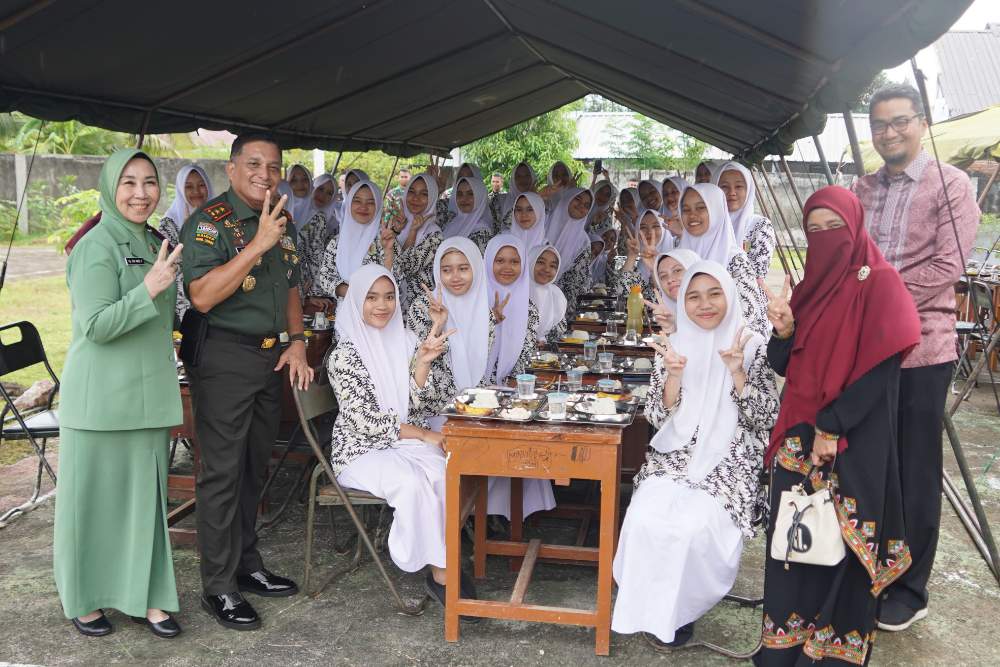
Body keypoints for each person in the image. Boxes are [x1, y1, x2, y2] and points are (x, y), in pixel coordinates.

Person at [758, 186, 922, 664]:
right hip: (797, 443)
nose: (825, 238)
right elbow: (785, 364)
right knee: (795, 546)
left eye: (835, 228)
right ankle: (784, 653)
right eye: (814, 229)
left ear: (855, 227)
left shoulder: (881, 283)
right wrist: (785, 330)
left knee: (843, 554)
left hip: (851, 444)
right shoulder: (809, 287)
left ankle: (834, 656)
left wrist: (831, 424)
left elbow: (881, 371)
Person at [850, 83, 980, 632]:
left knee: (915, 468)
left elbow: (947, 268)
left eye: (899, 121)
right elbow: (848, 258)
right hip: (865, 353)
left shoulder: (952, 186)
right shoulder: (860, 188)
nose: (889, 133)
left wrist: (876, 293)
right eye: (880, 125)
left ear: (920, 122)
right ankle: (871, 569)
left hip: (923, 349)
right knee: (869, 466)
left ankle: (910, 587)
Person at [181, 133, 312, 631]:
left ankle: (247, 564)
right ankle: (218, 587)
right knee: (221, 473)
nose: (265, 172)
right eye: (254, 163)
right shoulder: (210, 224)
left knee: (255, 466)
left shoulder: (283, 218)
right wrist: (257, 245)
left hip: (270, 358)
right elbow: (203, 297)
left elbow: (292, 286)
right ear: (232, 168)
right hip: (223, 358)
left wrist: (297, 340)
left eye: (273, 165)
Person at [612, 260, 778, 648]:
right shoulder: (675, 344)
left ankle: (682, 611)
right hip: (677, 453)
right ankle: (651, 605)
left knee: (691, 527)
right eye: (694, 297)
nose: (705, 305)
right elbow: (656, 413)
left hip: (731, 456)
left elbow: (766, 419)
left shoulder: (752, 346)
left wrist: (737, 372)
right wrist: (673, 375)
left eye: (714, 294)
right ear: (682, 303)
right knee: (643, 517)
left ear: (730, 295)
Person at [55, 148, 185, 638]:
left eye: (149, 182)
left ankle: (147, 597)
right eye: (128, 182)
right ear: (111, 187)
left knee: (143, 509)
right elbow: (96, 325)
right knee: (91, 508)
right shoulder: (96, 245)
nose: (140, 193)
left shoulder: (154, 240)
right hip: (101, 402)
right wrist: (148, 288)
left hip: (147, 398)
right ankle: (84, 598)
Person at [328, 264, 480, 608]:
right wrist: (426, 435)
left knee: (447, 474)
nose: (382, 305)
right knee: (411, 484)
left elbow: (419, 402)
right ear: (355, 302)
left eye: (389, 296)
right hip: (360, 450)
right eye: (371, 297)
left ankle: (438, 560)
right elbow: (365, 420)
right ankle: (442, 572)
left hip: (401, 442)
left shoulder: (406, 339)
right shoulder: (343, 355)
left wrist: (423, 362)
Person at [678, 183, 769, 337]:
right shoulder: (680, 255)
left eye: (701, 208)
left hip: (729, 351)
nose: (692, 215)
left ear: (717, 211)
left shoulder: (735, 260)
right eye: (685, 210)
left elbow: (751, 320)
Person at [314, 179, 385, 304]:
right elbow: (325, 276)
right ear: (349, 203)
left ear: (379, 205)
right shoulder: (337, 241)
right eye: (357, 201)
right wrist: (351, 292)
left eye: (371, 202)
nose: (363, 207)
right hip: (344, 312)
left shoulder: (385, 240)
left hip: (377, 311)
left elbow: (395, 278)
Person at [384, 173, 445, 312]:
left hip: (418, 310)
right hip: (389, 305)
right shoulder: (396, 225)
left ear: (432, 198)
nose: (416, 198)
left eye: (424, 193)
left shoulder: (434, 235)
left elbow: (405, 267)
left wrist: (412, 232)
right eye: (411, 192)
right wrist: (395, 231)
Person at [484, 234, 540, 384]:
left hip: (507, 389)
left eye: (514, 261)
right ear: (489, 262)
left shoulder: (530, 310)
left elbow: (523, 359)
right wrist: (489, 319)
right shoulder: (474, 302)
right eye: (500, 260)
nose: (507, 268)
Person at [159, 164, 212, 321]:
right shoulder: (168, 224)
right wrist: (190, 233)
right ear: (181, 190)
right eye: (189, 186)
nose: (196, 192)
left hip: (217, 296)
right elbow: (176, 266)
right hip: (184, 304)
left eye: (201, 185)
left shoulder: (219, 218)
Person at [714, 162, 775, 279]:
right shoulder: (708, 225)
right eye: (724, 187)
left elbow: (757, 274)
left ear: (749, 190)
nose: (732, 193)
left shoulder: (760, 226)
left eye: (739, 186)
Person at [546, 187, 595, 315]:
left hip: (559, 304)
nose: (580, 206)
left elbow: (577, 280)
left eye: (586, 205)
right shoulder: (543, 222)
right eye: (577, 199)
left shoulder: (583, 242)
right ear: (567, 199)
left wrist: (565, 313)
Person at [297, 173, 339, 312]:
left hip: (301, 284)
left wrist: (314, 293)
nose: (323, 195)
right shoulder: (295, 210)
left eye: (329, 193)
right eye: (320, 189)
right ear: (313, 187)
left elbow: (317, 256)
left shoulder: (324, 220)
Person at [612, 208, 673, 301]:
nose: (649, 231)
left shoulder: (676, 260)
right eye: (643, 227)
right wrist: (632, 255)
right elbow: (622, 293)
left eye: (656, 226)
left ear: (664, 228)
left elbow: (669, 300)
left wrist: (654, 271)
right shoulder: (642, 263)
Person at [644, 248, 700, 334]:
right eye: (663, 276)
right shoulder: (669, 319)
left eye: (677, 270)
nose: (670, 279)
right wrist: (672, 328)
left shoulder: (714, 311)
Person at [442, 176, 493, 253]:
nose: (464, 199)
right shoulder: (453, 222)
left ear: (480, 196)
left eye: (470, 194)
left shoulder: (483, 232)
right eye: (459, 194)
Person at [528, 244, 568, 345]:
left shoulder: (557, 295)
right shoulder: (516, 292)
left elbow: (559, 333)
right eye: (541, 262)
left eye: (552, 266)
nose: (546, 269)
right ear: (530, 261)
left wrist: (544, 340)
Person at [494, 161, 537, 229]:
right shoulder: (500, 201)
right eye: (518, 176)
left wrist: (534, 198)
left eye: (527, 176)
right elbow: (505, 224)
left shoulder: (541, 202)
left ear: (533, 177)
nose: (523, 179)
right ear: (513, 179)